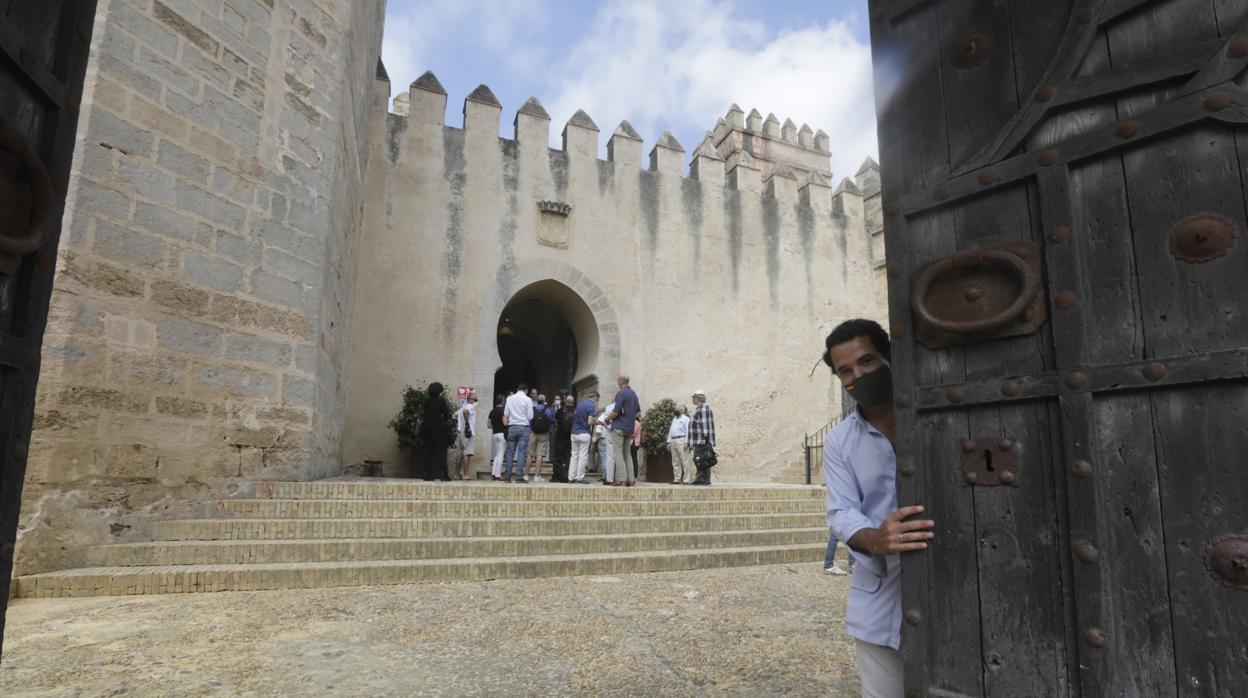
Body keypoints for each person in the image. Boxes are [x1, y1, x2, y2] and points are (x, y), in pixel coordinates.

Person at [823, 319, 935, 698]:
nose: (857, 375)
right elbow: (840, 511)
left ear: (888, 357)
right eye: (845, 371)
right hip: (879, 597)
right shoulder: (839, 442)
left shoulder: (935, 416)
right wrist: (876, 538)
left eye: (867, 361)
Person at [607, 375, 639, 487]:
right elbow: (638, 413)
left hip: (619, 427)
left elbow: (615, 412)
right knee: (627, 454)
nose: (617, 382)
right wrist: (629, 418)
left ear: (621, 382)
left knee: (618, 453)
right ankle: (631, 479)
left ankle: (621, 479)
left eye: (617, 380)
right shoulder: (634, 394)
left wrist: (607, 419)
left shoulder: (620, 393)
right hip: (629, 428)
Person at [418, 382, 452, 481]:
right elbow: (446, 414)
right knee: (441, 451)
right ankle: (443, 474)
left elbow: (424, 414)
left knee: (427, 450)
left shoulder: (427, 402)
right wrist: (444, 422)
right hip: (438, 429)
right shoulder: (441, 401)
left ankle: (426, 474)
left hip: (426, 428)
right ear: (439, 391)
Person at [502, 383, 534, 483]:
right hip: (523, 427)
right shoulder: (528, 400)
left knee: (510, 452)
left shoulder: (510, 399)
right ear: (526, 390)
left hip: (512, 427)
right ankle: (519, 476)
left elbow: (506, 414)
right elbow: (530, 416)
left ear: (518, 389)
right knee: (521, 452)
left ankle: (507, 476)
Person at [569, 391, 598, 484]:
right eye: (597, 399)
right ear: (595, 397)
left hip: (574, 432)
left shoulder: (580, 403)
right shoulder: (591, 406)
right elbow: (589, 422)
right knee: (582, 456)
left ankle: (571, 477)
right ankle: (580, 478)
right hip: (584, 433)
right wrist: (595, 422)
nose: (596, 401)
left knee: (574, 456)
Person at [688, 389, 716, 486]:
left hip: (701, 440)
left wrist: (704, 438)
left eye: (694, 398)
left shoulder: (703, 408)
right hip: (701, 439)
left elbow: (703, 424)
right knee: (705, 458)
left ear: (698, 398)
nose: (692, 400)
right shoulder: (702, 408)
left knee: (700, 458)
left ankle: (700, 478)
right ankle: (706, 480)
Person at [526, 395, 552, 482]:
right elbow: (549, 421)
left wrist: (531, 429)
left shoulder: (533, 409)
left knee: (530, 454)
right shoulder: (547, 410)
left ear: (537, 401)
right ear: (544, 401)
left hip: (533, 433)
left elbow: (529, 420)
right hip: (544, 434)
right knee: (540, 455)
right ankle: (537, 476)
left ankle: (526, 475)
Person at [551, 395, 575, 483]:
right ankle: (567, 475)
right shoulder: (575, 411)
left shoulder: (560, 410)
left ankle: (556, 476)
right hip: (570, 437)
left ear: (565, 401)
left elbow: (556, 420)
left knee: (557, 457)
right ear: (573, 402)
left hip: (560, 436)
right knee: (568, 457)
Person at [454, 393, 478, 480]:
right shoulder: (470, 407)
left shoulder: (462, 407)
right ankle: (466, 474)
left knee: (459, 453)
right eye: (475, 399)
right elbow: (465, 412)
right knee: (467, 453)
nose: (477, 400)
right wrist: (467, 425)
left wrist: (459, 425)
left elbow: (454, 416)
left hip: (460, 432)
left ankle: (457, 475)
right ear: (471, 399)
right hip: (467, 432)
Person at [667, 404, 692, 485]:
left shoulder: (686, 419)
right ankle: (677, 479)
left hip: (682, 440)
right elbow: (671, 430)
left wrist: (686, 442)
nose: (675, 410)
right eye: (675, 409)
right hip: (673, 440)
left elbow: (688, 431)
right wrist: (669, 441)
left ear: (682, 410)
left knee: (684, 460)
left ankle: (686, 480)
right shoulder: (674, 418)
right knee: (675, 461)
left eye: (677, 409)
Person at [488, 394, 506, 481]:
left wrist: (495, 427)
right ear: (502, 401)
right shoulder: (503, 411)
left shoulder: (492, 411)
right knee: (501, 455)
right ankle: (498, 475)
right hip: (502, 434)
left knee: (496, 455)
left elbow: (488, 425)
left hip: (494, 434)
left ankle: (493, 474)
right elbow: (505, 423)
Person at [594, 403, 613, 485]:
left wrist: (595, 439)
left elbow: (598, 431)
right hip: (610, 438)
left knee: (604, 458)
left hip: (602, 439)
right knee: (610, 457)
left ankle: (604, 475)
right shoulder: (610, 416)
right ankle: (609, 475)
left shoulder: (600, 418)